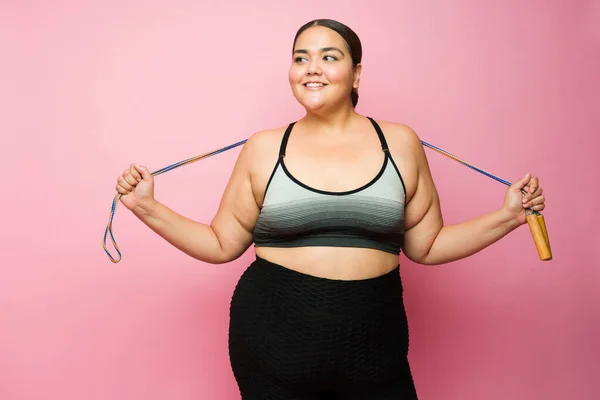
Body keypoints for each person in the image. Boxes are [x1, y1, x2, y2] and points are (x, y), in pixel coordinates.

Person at [114, 18, 546, 400]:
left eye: (328, 56)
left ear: (356, 73)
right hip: (272, 342)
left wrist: (508, 216)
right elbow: (221, 243)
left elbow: (427, 245)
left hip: (376, 346)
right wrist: (146, 207)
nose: (312, 68)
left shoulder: (400, 142)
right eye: (300, 58)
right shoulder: (263, 148)